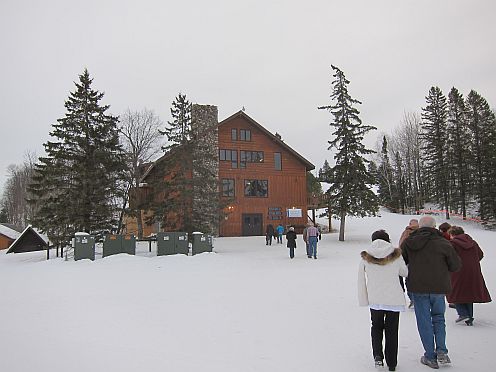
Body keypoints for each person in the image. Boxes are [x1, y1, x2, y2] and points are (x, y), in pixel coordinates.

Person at [401, 215, 461, 369]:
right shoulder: (444, 243)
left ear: (420, 227)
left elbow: (402, 262)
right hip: (439, 288)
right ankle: (441, 351)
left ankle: (429, 355)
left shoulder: (409, 242)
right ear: (435, 227)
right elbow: (455, 265)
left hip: (418, 287)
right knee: (439, 318)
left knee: (424, 321)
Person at [358, 230, 408, 372]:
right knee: (392, 330)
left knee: (376, 327)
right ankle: (392, 362)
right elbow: (404, 272)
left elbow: (360, 280)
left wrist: (363, 299)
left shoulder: (366, 256)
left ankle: (378, 357)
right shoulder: (396, 255)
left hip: (375, 298)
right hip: (394, 298)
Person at [446, 226, 491, 326]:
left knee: (455, 291)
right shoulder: (473, 243)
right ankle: (469, 318)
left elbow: (449, 257)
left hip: (457, 270)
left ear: (452, 234)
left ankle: (463, 313)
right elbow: (480, 254)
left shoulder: (452, 244)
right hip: (474, 271)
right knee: (469, 293)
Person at [399, 219, 419, 308]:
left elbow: (401, 244)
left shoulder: (406, 232)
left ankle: (412, 299)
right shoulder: (422, 232)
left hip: (408, 259)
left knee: (409, 280)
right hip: (420, 260)